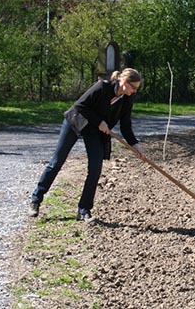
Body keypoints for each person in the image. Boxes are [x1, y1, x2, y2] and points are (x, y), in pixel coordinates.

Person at [28, 68, 146, 222]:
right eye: (133, 87)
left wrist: (135, 146)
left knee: (95, 168)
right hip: (75, 122)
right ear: (124, 82)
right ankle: (36, 200)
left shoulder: (126, 100)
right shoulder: (102, 87)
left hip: (94, 131)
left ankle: (84, 210)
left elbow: (126, 126)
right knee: (57, 162)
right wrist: (99, 122)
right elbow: (80, 106)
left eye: (136, 88)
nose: (135, 91)